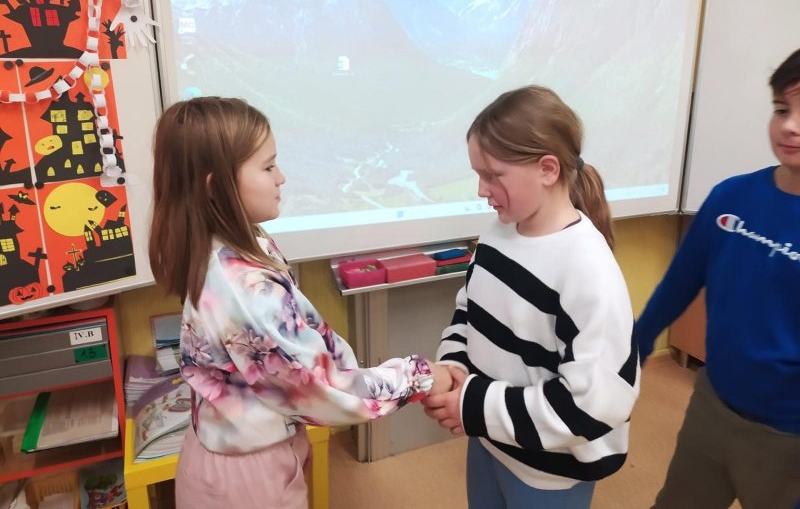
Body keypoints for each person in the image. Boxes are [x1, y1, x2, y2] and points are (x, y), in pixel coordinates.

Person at [148, 97, 452, 508]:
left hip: (246, 452)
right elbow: (325, 388)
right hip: (246, 481)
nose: (282, 178)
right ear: (216, 186)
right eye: (268, 167)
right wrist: (421, 375)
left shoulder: (237, 245)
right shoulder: (245, 288)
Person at [423, 86, 640, 509]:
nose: (481, 189)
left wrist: (475, 404)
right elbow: (470, 312)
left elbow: (594, 403)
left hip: (549, 475)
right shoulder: (497, 234)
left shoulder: (588, 270)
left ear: (547, 169)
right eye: (478, 174)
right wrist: (454, 367)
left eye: (492, 175)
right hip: (490, 442)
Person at [635, 49, 800, 508]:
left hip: (788, 437)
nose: (790, 125)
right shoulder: (732, 196)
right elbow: (680, 282)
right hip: (714, 402)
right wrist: (638, 341)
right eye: (781, 109)